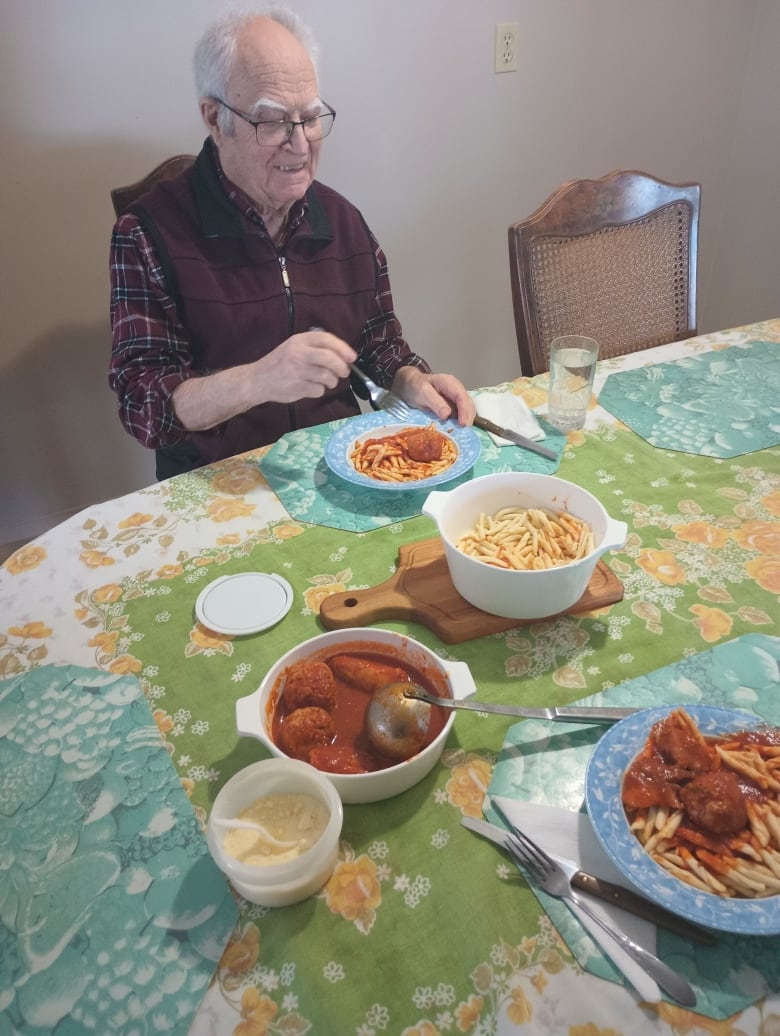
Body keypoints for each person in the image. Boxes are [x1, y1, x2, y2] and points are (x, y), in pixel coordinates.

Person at [109, 5, 475, 479]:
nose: (300, 144)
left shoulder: (343, 222)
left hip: (339, 472)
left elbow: (380, 348)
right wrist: (258, 380)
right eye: (273, 122)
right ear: (215, 119)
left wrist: (413, 382)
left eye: (310, 117)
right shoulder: (148, 233)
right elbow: (144, 405)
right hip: (218, 485)